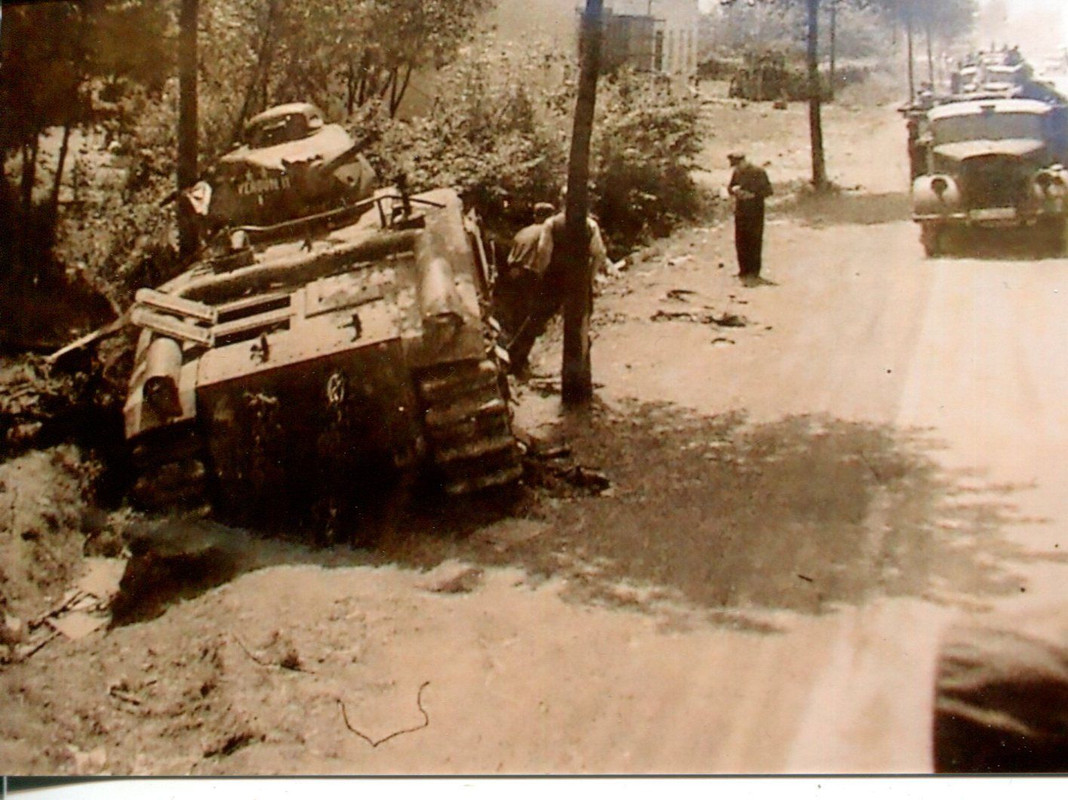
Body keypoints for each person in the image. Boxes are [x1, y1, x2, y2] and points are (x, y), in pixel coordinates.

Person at [506, 196, 608, 376]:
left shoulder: (552, 224)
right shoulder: (590, 224)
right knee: (582, 323)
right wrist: (589, 278)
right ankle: (579, 370)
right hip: (579, 281)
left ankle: (514, 360)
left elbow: (544, 252)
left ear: (562, 202)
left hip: (555, 279)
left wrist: (543, 275)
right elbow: (599, 254)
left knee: (536, 320)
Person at [494, 202, 556, 337]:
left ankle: (514, 338)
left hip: (513, 272)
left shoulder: (523, 231)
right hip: (530, 272)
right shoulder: (546, 230)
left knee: (518, 310)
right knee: (531, 310)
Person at [727, 152, 773, 286]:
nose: (737, 168)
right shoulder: (736, 172)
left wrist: (753, 195)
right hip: (741, 211)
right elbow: (730, 187)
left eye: (738, 165)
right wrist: (734, 191)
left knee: (754, 240)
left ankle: (754, 271)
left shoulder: (759, 172)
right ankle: (743, 270)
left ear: (744, 161)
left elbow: (768, 191)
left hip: (755, 211)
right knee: (740, 240)